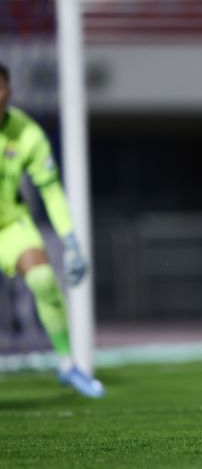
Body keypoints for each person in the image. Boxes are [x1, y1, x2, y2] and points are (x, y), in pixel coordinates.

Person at [0, 62, 104, 398]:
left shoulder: (27, 133)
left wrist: (70, 241)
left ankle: (67, 366)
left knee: (44, 280)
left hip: (11, 226)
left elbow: (51, 191)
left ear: (8, 91)